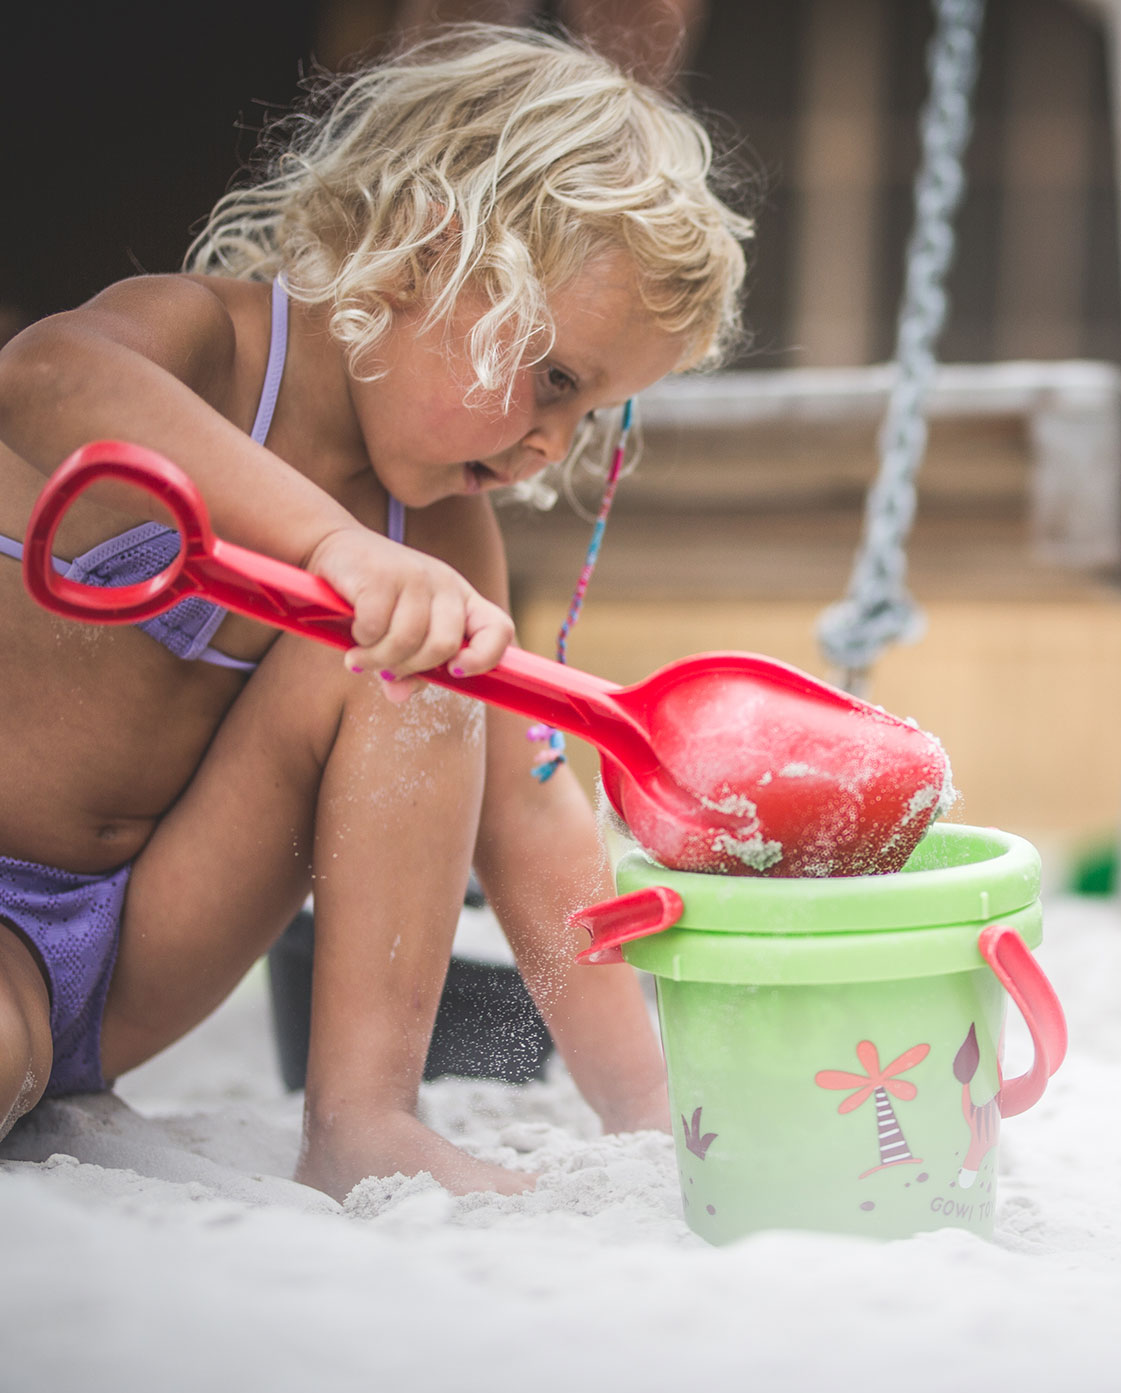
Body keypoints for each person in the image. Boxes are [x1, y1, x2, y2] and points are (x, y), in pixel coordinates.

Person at [0, 25, 749, 1197]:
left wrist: (653, 1109)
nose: (558, 439)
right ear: (423, 254)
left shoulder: (443, 540)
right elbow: (42, 379)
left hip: (129, 952)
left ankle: (362, 1119)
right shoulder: (205, 348)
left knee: (423, 663)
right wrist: (329, 548)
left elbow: (532, 820)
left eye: (595, 409)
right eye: (556, 377)